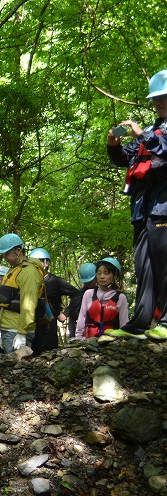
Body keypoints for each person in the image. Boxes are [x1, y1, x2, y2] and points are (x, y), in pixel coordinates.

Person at [106, 69, 167, 339]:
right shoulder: (153, 129)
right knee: (144, 266)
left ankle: (166, 322)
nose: (159, 103)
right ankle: (141, 322)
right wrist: (113, 144)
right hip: (142, 210)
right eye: (155, 99)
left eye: (163, 97)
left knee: (165, 265)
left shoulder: (152, 133)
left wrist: (141, 133)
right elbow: (125, 159)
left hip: (163, 207)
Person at [0, 234, 44, 353]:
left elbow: (28, 304)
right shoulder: (15, 269)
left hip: (17, 330)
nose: (5, 258)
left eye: (7, 254)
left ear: (18, 250)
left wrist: (22, 333)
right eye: (3, 255)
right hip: (9, 328)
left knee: (16, 369)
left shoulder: (29, 272)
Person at [28, 248, 81, 354]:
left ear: (46, 263)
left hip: (48, 328)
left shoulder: (55, 281)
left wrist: (66, 313)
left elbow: (77, 294)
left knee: (48, 356)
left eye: (38, 261)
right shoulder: (28, 282)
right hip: (30, 327)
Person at [75, 258, 130, 338]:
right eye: (99, 273)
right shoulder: (88, 294)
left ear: (115, 276)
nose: (102, 276)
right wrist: (78, 338)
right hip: (89, 343)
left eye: (106, 273)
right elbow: (81, 319)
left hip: (111, 344)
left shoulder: (120, 298)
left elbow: (124, 324)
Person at [65, 263, 97, 337]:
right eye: (87, 282)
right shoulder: (79, 295)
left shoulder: (103, 294)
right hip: (84, 333)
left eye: (90, 281)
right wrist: (73, 337)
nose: (88, 284)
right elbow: (72, 318)